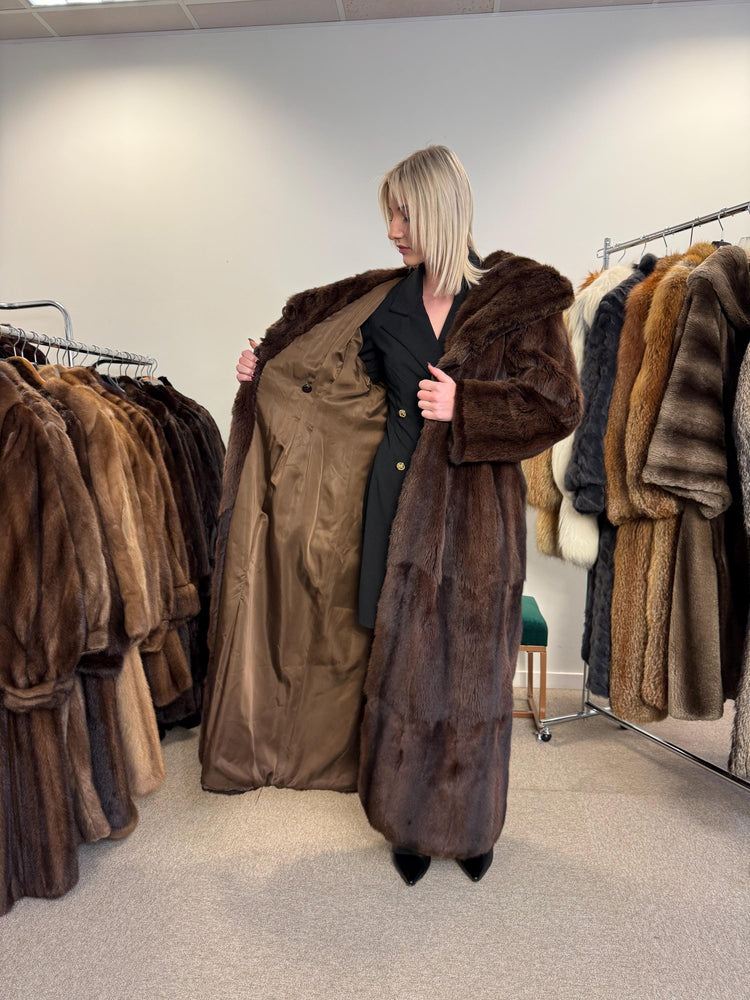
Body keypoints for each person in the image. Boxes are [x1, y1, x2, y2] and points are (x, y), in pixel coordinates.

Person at [200, 145, 582, 886]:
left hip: (473, 517)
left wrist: (469, 406)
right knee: (399, 661)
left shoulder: (515, 300)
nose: (392, 231)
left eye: (403, 214)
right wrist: (263, 369)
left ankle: (471, 826)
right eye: (389, 216)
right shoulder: (383, 304)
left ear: (440, 208)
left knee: (472, 671)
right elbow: (332, 381)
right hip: (392, 502)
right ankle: (404, 820)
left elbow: (558, 406)